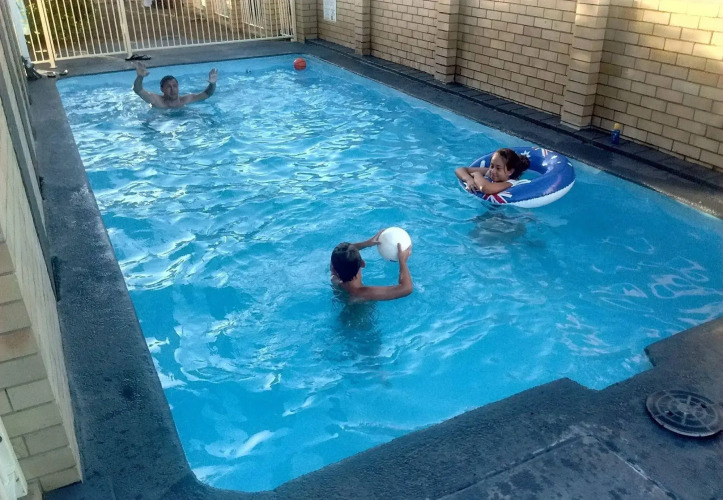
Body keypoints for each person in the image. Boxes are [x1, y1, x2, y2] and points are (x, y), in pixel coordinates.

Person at [331, 230, 413, 302]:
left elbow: (338, 257)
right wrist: (402, 261)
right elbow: (407, 288)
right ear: (363, 264)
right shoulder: (363, 293)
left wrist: (367, 243)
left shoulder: (335, 279)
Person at [132, 62, 218, 108]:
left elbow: (207, 94)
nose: (173, 89)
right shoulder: (157, 101)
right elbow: (138, 90)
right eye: (168, 87)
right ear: (162, 89)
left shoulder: (186, 100)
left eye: (174, 86)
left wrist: (213, 84)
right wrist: (140, 77)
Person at [454, 148, 530, 195]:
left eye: (498, 168)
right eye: (492, 166)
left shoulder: (510, 183)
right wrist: (468, 179)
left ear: (509, 171)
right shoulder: (490, 173)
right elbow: (459, 170)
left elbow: (486, 188)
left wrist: (476, 174)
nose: (493, 170)